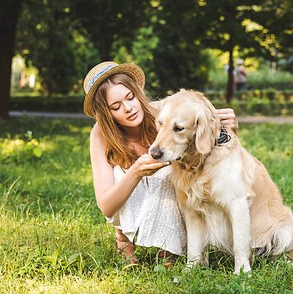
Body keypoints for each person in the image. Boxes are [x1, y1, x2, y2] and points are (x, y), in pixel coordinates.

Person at [83, 61, 239, 265]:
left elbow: (206, 131)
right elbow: (106, 206)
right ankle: (123, 237)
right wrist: (135, 172)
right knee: (124, 174)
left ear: (137, 93)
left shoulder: (166, 112)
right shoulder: (100, 134)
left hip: (180, 203)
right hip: (129, 204)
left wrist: (229, 129)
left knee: (170, 174)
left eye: (130, 97)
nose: (129, 108)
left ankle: (168, 247)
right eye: (116, 107)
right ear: (106, 113)